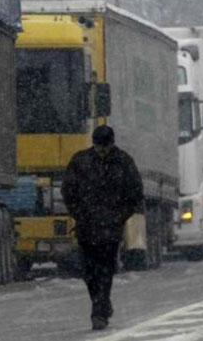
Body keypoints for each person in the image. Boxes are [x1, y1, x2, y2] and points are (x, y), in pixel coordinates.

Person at [61, 125, 144, 331]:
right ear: (94, 144)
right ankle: (102, 303)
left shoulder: (124, 162)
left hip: (110, 229)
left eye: (105, 148)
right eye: (99, 147)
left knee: (105, 269)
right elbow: (68, 191)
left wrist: (119, 217)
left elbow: (135, 194)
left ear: (112, 144)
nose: (102, 152)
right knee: (88, 271)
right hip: (87, 227)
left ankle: (98, 312)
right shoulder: (80, 161)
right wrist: (78, 214)